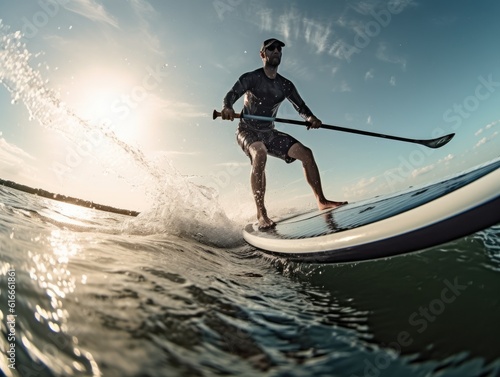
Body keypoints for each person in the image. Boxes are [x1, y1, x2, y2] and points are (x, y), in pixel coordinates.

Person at [220, 38, 346, 229]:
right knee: (260, 152)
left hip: (269, 133)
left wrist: (310, 118)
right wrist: (227, 107)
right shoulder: (251, 78)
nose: (276, 51)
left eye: (279, 49)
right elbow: (230, 95)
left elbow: (301, 107)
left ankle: (321, 200)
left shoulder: (285, 85)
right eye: (271, 48)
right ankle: (261, 214)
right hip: (247, 131)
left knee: (306, 154)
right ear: (263, 54)